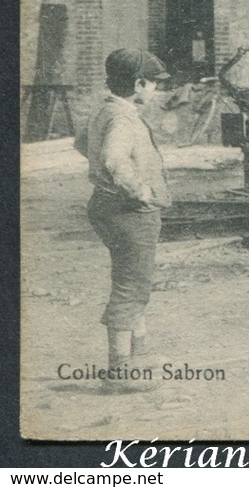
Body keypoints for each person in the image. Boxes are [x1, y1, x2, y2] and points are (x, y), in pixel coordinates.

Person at [76, 48, 173, 393]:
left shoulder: (105, 108)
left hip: (104, 206)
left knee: (131, 281)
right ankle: (119, 373)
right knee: (132, 288)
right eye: (154, 85)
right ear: (138, 83)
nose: (156, 91)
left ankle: (139, 356)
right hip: (130, 212)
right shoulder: (124, 118)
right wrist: (141, 190)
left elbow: (82, 143)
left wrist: (105, 177)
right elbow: (113, 159)